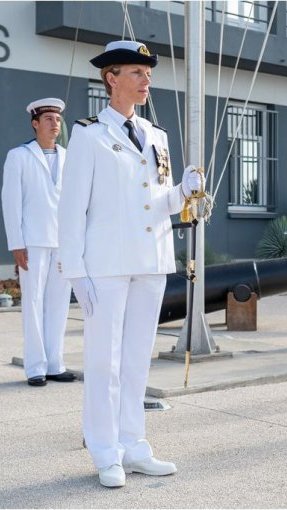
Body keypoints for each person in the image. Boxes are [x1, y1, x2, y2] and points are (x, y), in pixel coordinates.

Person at [57, 40, 203, 488]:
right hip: (105, 264)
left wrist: (184, 191)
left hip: (151, 259)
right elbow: (72, 208)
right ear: (111, 78)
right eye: (136, 73)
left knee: (138, 359)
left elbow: (158, 203)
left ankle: (134, 445)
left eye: (148, 73)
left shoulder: (156, 135)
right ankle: (105, 451)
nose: (146, 80)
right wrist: (75, 272)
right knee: (105, 361)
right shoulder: (88, 133)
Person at [1, 98, 75, 387]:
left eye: (58, 118)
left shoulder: (70, 157)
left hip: (63, 241)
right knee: (33, 303)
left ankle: (55, 363)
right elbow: (11, 203)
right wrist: (16, 243)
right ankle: (35, 367)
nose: (55, 123)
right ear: (35, 123)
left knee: (59, 303)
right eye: (49, 119)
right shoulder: (18, 156)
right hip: (32, 241)